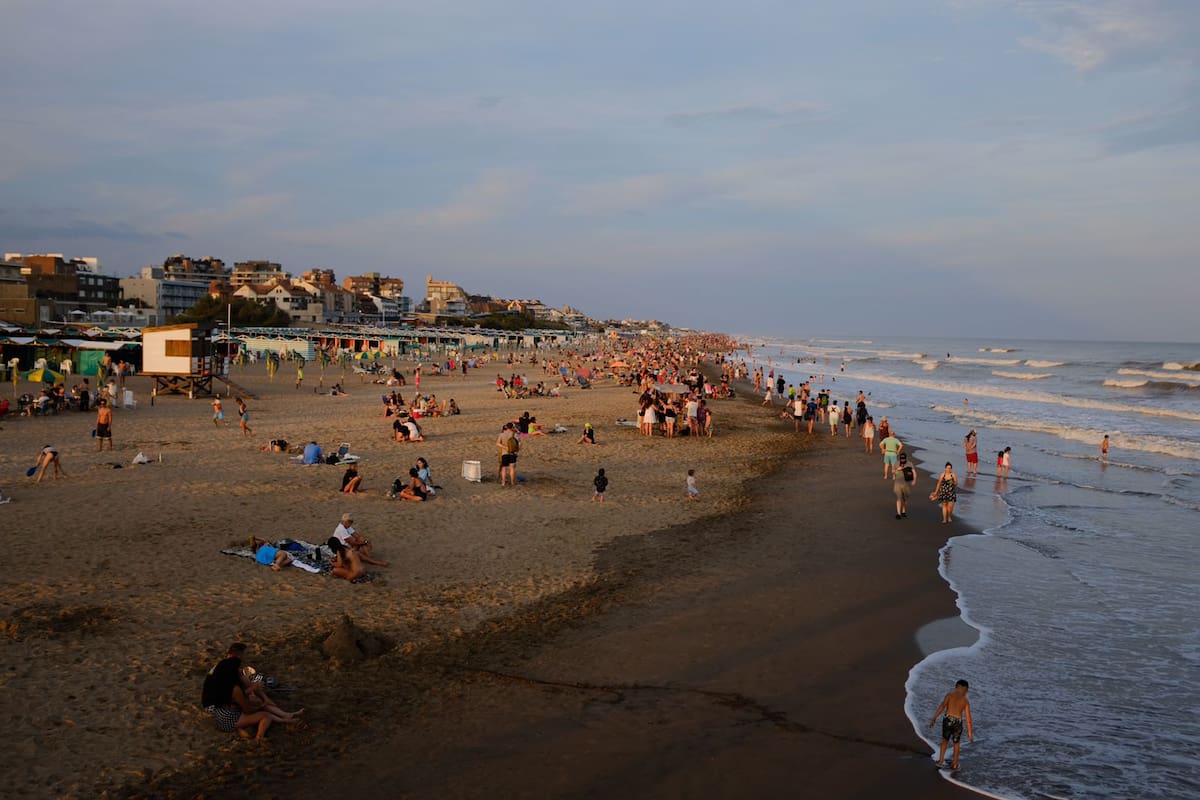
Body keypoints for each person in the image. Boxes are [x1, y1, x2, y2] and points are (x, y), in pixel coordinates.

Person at [201, 643, 303, 739]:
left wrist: (262, 697)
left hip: (225, 709)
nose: (247, 658)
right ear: (239, 655)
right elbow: (246, 706)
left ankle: (285, 716)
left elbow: (247, 687)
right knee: (262, 711)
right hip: (217, 709)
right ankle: (278, 723)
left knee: (257, 701)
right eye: (246, 654)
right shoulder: (231, 678)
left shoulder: (227, 667)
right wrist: (260, 704)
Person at [928, 679, 974, 770]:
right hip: (958, 722)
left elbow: (942, 706)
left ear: (956, 687)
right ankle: (955, 764)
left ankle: (940, 762)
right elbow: (968, 719)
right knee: (956, 743)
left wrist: (934, 717)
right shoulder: (965, 701)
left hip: (948, 719)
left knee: (945, 740)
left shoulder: (949, 695)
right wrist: (969, 733)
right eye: (967, 690)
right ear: (965, 690)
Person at [893, 452, 917, 519]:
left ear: (906, 458)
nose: (902, 460)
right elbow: (893, 472)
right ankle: (898, 514)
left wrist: (914, 480)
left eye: (903, 459)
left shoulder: (909, 464)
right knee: (899, 498)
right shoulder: (896, 463)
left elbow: (914, 472)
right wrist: (898, 470)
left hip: (906, 484)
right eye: (901, 459)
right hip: (897, 483)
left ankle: (903, 511)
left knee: (905, 499)